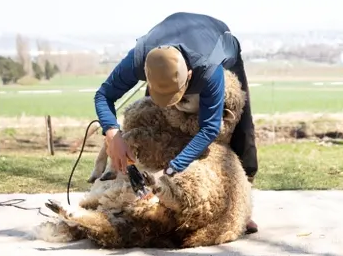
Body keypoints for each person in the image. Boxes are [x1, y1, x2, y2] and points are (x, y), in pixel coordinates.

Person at [93, 12, 259, 233]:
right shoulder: (139, 59)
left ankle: (241, 209)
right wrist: (113, 134)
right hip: (170, 61)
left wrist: (172, 169)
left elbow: (209, 128)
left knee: (241, 129)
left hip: (217, 45)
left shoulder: (210, 69)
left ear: (189, 75)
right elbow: (103, 95)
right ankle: (141, 192)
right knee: (150, 120)